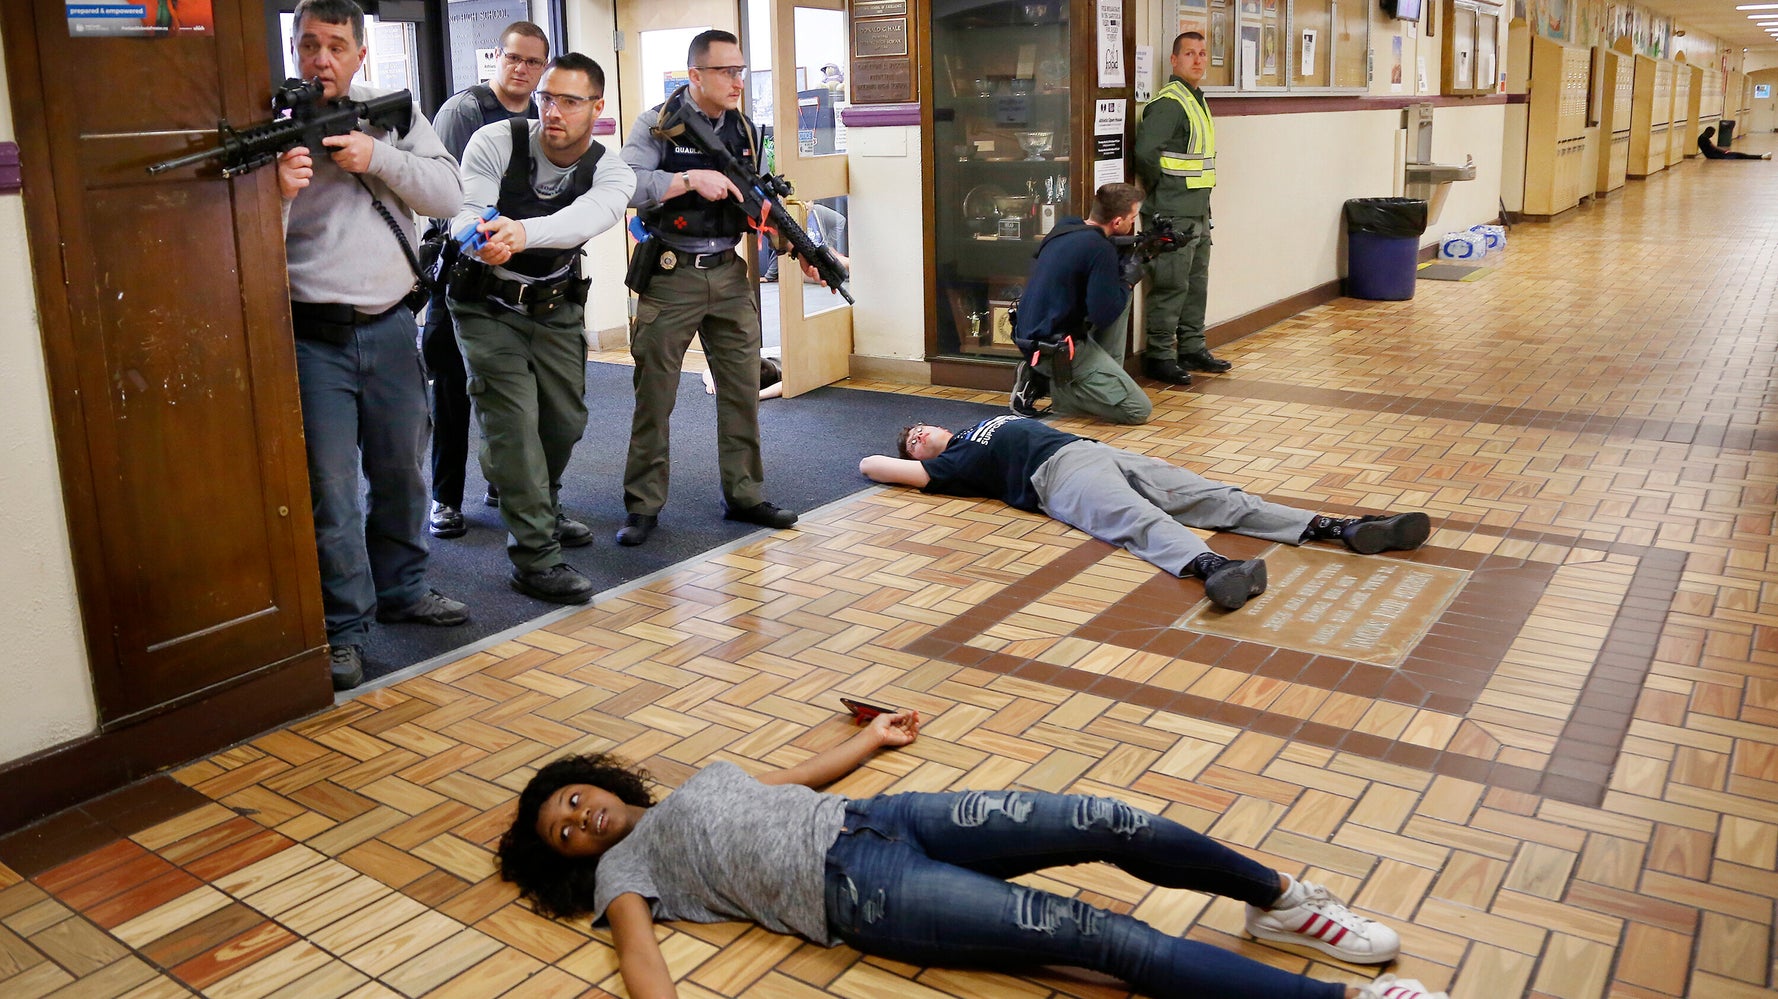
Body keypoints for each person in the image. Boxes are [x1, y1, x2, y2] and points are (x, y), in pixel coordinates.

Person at [497, 710, 1451, 999]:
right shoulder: (628, 876)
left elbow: (792, 778)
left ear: (601, 778)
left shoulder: (700, 775)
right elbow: (641, 957)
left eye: (573, 799)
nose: (580, 820)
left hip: (892, 816)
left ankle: (1277, 898)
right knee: (1103, 939)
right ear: (573, 861)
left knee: (1101, 818)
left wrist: (870, 745)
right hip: (860, 891)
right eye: (564, 833)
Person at [277, 0, 469, 690]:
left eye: (335, 45)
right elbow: (235, 245)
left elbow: (448, 194)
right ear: (293, 50)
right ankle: (345, 628)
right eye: (308, 45)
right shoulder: (273, 124)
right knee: (329, 491)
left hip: (391, 324)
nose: (320, 59)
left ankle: (405, 589)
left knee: (401, 473)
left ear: (361, 54)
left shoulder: (390, 111)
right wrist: (276, 194)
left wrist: (377, 155)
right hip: (311, 336)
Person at [860, 416, 1430, 611]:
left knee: (1217, 496)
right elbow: (869, 464)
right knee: (1137, 521)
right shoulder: (950, 465)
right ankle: (1214, 570)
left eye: (919, 427)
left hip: (1092, 450)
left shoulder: (971, 427)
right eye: (911, 440)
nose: (919, 435)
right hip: (1056, 478)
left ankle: (1339, 529)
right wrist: (897, 455)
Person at [447, 55, 636, 605]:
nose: (553, 111)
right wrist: (481, 234)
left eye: (570, 101)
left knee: (564, 420)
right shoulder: (494, 140)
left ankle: (535, 500)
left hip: (555, 306)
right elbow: (464, 208)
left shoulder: (611, 168)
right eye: (548, 97)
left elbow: (584, 220)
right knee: (514, 423)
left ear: (597, 108)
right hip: (485, 303)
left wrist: (522, 232)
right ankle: (535, 556)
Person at [617, 29, 808, 548]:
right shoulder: (656, 123)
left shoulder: (745, 128)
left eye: (741, 71)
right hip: (672, 273)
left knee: (743, 387)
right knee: (655, 396)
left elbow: (761, 202)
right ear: (695, 75)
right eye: (726, 71)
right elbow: (626, 185)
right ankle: (643, 505)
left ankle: (744, 494)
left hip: (728, 272)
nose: (737, 81)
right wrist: (687, 180)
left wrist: (800, 251)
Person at [422, 21, 548, 541]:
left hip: (520, 274)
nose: (521, 70)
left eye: (532, 62)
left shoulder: (545, 116)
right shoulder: (464, 112)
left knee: (513, 387)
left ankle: (502, 482)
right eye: (513, 58)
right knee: (452, 387)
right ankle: (445, 499)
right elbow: (447, 196)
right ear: (497, 57)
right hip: (461, 272)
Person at [1009, 182, 1152, 426]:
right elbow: (1103, 314)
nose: (1133, 224)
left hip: (1029, 334)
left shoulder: (1065, 227)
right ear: (1117, 222)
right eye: (1132, 218)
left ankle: (1046, 376)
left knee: (1115, 295)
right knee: (1138, 409)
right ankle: (1054, 386)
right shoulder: (1100, 249)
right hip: (1058, 349)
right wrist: (1128, 280)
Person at [1133, 30, 1231, 385]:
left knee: (1195, 283)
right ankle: (1160, 355)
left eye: (1203, 54)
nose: (1197, 60)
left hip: (1198, 210)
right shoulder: (1170, 102)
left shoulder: (1196, 99)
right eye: (1189, 54)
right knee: (1170, 285)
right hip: (1172, 212)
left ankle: (1191, 345)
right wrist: (1162, 187)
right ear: (1174, 60)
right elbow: (1145, 152)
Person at [702, 355, 783, 400]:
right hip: (772, 362)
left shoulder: (775, 376)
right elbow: (707, 371)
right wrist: (711, 381)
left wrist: (757, 396)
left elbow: (783, 386)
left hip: (777, 370)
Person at [1698, 124, 1771, 160]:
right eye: (1712, 133)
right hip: (1716, 155)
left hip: (1714, 154)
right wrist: (1725, 151)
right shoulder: (1705, 138)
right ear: (1709, 132)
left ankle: (1761, 156)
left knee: (1739, 155)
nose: (1712, 135)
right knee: (1739, 155)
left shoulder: (1701, 137)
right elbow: (1714, 147)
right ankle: (1761, 157)